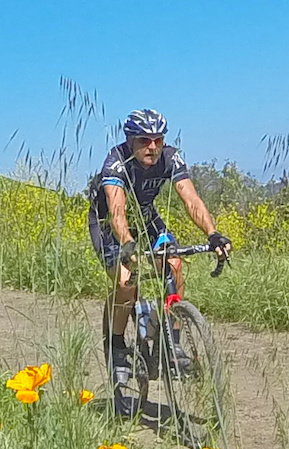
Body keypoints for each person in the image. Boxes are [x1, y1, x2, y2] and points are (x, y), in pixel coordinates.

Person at [87, 109, 231, 413]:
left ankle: (172, 341)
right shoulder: (116, 162)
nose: (152, 147)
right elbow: (116, 212)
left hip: (147, 218)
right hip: (110, 224)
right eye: (144, 140)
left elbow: (191, 199)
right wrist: (127, 244)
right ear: (130, 140)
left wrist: (213, 233)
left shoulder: (170, 157)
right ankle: (116, 346)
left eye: (158, 140)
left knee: (175, 262)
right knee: (126, 281)